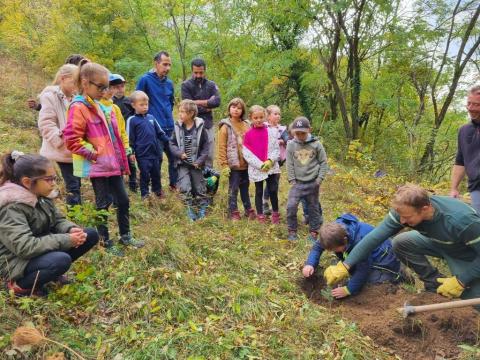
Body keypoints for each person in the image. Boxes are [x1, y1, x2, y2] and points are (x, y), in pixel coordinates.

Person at [324, 184, 480, 307]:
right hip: (438, 242)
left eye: (407, 217)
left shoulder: (462, 221)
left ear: (425, 209)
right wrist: (346, 264)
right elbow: (375, 237)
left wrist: (461, 280)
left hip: (466, 254)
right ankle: (434, 282)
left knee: (471, 301)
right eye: (401, 217)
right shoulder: (404, 211)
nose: (403, 222)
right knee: (400, 243)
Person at [64, 62, 144, 257]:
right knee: (103, 203)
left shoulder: (101, 105)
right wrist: (95, 154)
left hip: (112, 164)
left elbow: (114, 135)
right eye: (100, 87)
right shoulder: (79, 106)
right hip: (99, 167)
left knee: (123, 200)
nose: (104, 90)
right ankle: (104, 241)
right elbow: (72, 139)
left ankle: (125, 235)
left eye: (106, 86)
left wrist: (120, 156)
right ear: (85, 82)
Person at [0, 151, 98, 297]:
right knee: (60, 260)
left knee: (89, 234)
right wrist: (66, 240)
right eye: (48, 179)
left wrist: (70, 229)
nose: (53, 183)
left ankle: (49, 273)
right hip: (14, 259)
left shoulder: (41, 196)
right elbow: (24, 247)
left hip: (40, 247)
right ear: (27, 182)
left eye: (54, 178)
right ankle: (19, 286)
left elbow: (57, 220)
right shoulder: (11, 207)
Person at [303, 214, 402, 299]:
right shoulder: (330, 234)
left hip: (384, 259)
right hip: (366, 256)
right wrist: (310, 264)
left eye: (336, 249)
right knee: (349, 266)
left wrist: (349, 289)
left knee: (372, 281)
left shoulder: (359, 243)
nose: (334, 251)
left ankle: (400, 277)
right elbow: (317, 247)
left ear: (345, 240)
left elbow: (364, 269)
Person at [37, 64, 82, 206]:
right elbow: (46, 123)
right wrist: (61, 139)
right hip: (62, 149)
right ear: (63, 79)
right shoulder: (50, 97)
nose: (76, 86)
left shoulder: (77, 98)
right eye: (73, 82)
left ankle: (76, 214)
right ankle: (75, 220)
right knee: (73, 185)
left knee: (76, 183)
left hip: (76, 149)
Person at [136, 51, 177, 191]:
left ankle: (174, 185)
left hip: (170, 127)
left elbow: (171, 102)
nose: (167, 68)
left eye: (169, 65)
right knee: (156, 160)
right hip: (154, 128)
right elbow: (137, 101)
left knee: (174, 158)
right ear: (156, 63)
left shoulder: (170, 83)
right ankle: (156, 190)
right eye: (165, 64)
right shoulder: (145, 80)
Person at [286, 117, 327, 241]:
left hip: (312, 183)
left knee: (313, 207)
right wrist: (292, 179)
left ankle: (314, 231)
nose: (300, 136)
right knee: (291, 206)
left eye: (303, 133)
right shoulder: (291, 145)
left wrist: (319, 179)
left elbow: (323, 162)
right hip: (297, 183)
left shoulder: (316, 144)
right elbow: (289, 163)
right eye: (297, 133)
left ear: (309, 130)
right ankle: (292, 230)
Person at [170, 100, 210, 220]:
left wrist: (200, 161)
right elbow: (172, 143)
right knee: (185, 187)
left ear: (191, 113)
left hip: (196, 164)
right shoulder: (177, 127)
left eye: (183, 112)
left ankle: (202, 210)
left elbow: (205, 147)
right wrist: (179, 153)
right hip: (182, 164)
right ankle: (190, 211)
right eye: (179, 111)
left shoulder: (200, 128)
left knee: (199, 187)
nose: (180, 114)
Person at [217, 98, 255, 221]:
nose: (236, 110)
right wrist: (224, 165)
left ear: (242, 110)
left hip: (246, 164)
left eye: (239, 108)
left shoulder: (247, 125)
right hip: (233, 165)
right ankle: (233, 211)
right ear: (229, 109)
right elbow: (221, 147)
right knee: (233, 189)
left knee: (245, 187)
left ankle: (248, 209)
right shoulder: (225, 126)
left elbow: (253, 144)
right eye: (233, 107)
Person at [242, 105, 281, 223]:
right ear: (251, 118)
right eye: (255, 117)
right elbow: (247, 153)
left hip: (271, 166)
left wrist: (270, 160)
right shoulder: (248, 135)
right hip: (257, 168)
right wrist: (260, 165)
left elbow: (276, 149)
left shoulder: (272, 132)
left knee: (273, 189)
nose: (258, 120)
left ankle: (275, 213)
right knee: (258, 191)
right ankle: (260, 215)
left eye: (261, 117)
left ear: (265, 117)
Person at [128, 90, 169, 200]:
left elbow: (160, 133)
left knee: (156, 173)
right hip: (142, 154)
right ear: (133, 105)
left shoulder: (151, 118)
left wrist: (169, 142)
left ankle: (158, 191)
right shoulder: (132, 120)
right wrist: (131, 152)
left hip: (155, 153)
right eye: (141, 105)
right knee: (145, 174)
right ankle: (144, 194)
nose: (145, 107)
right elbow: (129, 139)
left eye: (146, 104)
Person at [181, 58, 221, 168]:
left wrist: (196, 102)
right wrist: (208, 105)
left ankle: (208, 183)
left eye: (201, 72)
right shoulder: (186, 85)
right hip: (191, 125)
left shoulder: (211, 85)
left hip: (208, 125)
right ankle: (195, 183)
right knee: (193, 156)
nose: (198, 75)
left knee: (209, 156)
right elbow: (188, 106)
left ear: (205, 71)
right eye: (196, 72)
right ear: (192, 71)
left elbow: (217, 101)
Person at [451, 85, 480, 214]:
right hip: (476, 189)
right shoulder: (464, 130)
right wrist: (454, 188)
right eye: (469, 103)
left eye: (476, 105)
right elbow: (460, 161)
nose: (470, 108)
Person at [110, 73, 137, 193]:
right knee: (117, 161)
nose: (120, 89)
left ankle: (133, 184)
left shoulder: (129, 101)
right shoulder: (110, 103)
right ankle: (119, 185)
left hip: (128, 136)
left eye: (122, 86)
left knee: (131, 160)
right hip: (115, 138)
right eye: (116, 87)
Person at [263, 105, 288, 216]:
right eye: (275, 114)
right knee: (268, 180)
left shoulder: (282, 129)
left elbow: (288, 140)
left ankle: (272, 203)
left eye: (279, 114)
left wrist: (282, 141)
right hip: (265, 158)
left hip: (278, 160)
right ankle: (264, 202)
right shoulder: (264, 127)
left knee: (274, 181)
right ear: (268, 116)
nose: (278, 116)